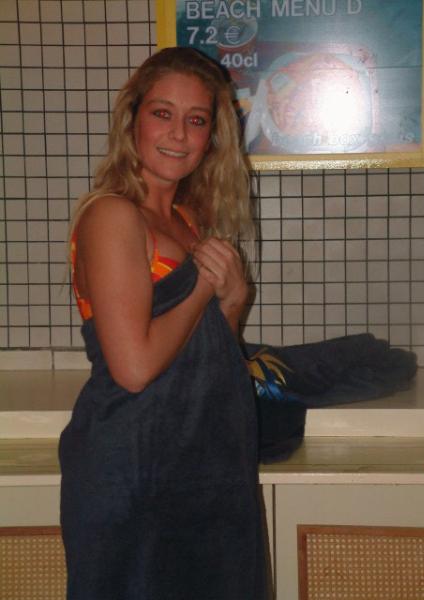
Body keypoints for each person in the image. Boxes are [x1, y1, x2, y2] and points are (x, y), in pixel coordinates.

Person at [59, 47, 268, 600]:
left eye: (196, 120)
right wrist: (202, 285)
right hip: (131, 472)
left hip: (194, 465)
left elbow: (204, 354)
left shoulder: (188, 219)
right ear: (132, 119)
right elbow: (134, 368)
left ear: (212, 137)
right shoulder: (112, 215)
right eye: (162, 113)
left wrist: (233, 302)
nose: (179, 133)